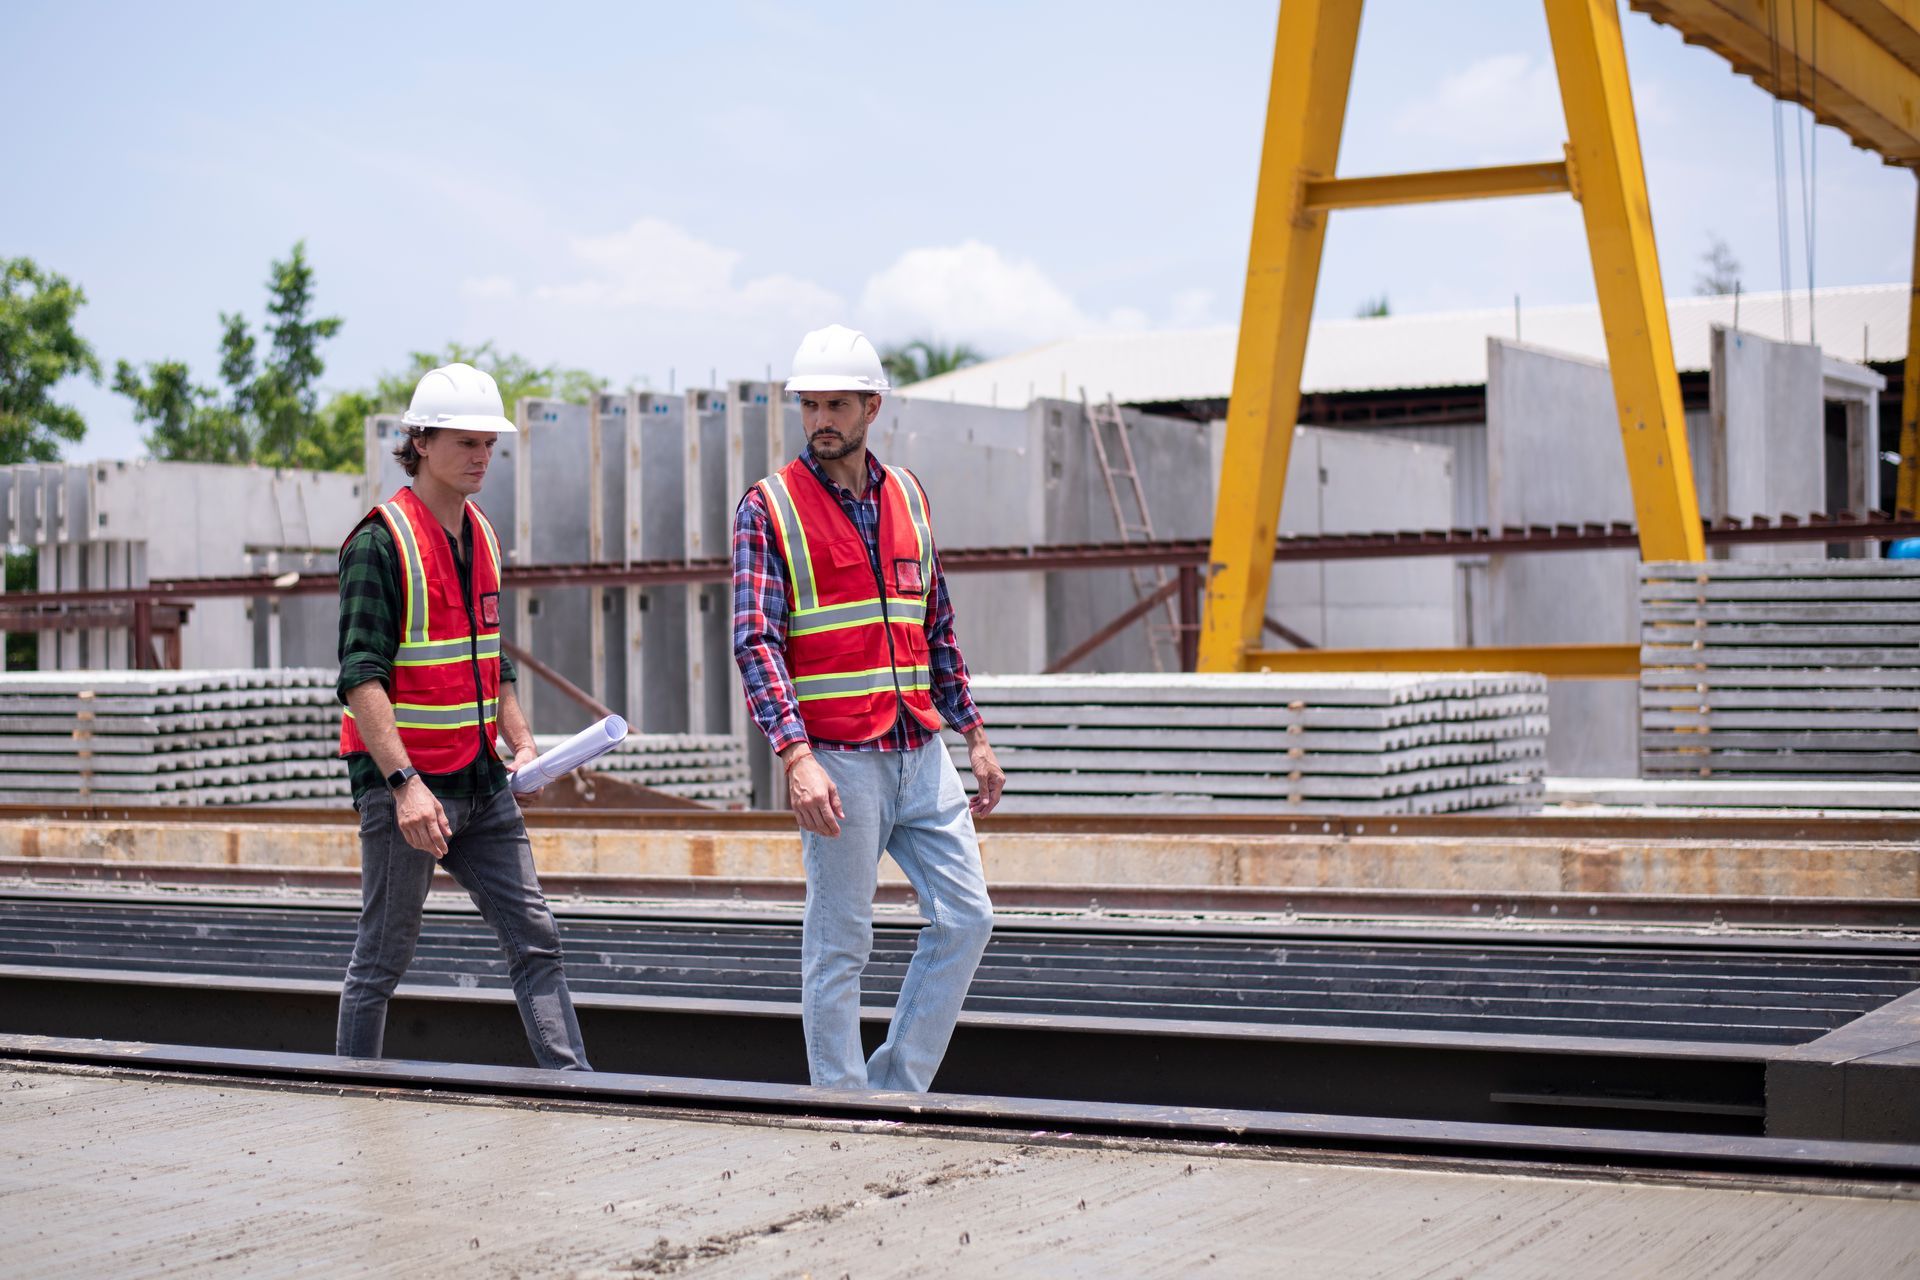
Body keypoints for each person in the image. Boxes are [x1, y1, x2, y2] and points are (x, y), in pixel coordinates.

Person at [732, 323, 1005, 1093]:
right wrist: (795, 756)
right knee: (841, 945)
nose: (821, 418)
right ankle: (843, 1110)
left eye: (837, 404)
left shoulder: (910, 496)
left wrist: (974, 736)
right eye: (810, 404)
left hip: (921, 751)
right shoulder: (770, 508)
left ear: (872, 407)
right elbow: (756, 643)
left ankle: (895, 1090)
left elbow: (937, 625)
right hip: (838, 760)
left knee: (966, 919)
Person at [334, 361, 590, 1071]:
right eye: (466, 443)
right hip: (408, 790)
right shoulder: (379, 542)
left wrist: (525, 744)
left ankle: (578, 1087)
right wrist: (405, 786)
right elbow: (360, 678)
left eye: (489, 445)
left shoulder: (481, 536)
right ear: (419, 441)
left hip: (481, 781)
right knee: (382, 959)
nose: (482, 458)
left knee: (536, 938)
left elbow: (491, 658)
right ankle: (353, 1095)